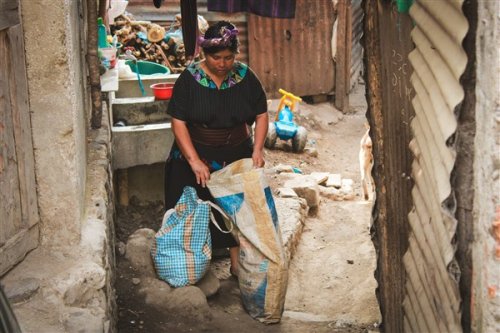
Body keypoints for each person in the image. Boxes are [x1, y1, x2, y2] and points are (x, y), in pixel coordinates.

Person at [164, 21, 269, 277]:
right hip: (197, 149)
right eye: (216, 57)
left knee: (237, 208)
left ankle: (237, 265)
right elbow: (178, 122)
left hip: (236, 150)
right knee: (191, 200)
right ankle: (194, 260)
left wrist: (257, 150)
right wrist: (194, 161)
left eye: (228, 57)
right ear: (204, 54)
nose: (222, 63)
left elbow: (262, 114)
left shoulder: (246, 77)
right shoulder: (189, 80)